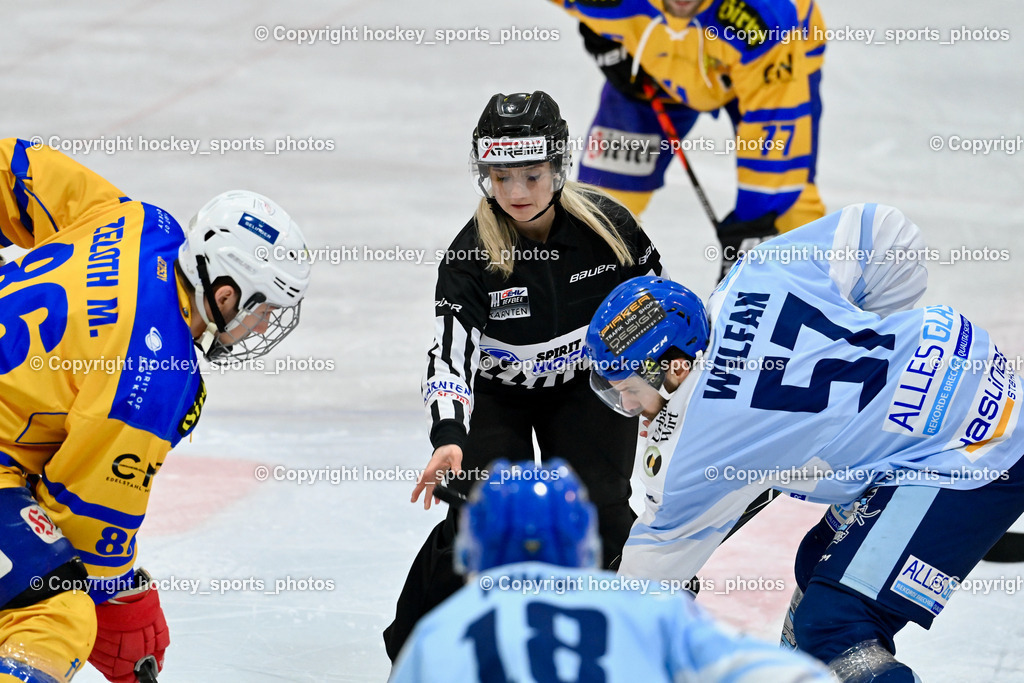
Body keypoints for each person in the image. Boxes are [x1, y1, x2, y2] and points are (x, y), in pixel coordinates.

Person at [584, 203, 1024, 681]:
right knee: (816, 563)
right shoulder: (754, 276)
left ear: (674, 368)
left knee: (836, 627)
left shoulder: (692, 448)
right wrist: (872, 351)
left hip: (974, 450)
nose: (628, 406)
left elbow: (651, 574)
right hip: (967, 365)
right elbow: (886, 232)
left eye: (629, 389)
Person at [0, 138, 310, 683]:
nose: (264, 326)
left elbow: (15, 169)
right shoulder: (156, 377)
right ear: (225, 294)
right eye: (263, 309)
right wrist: (119, 598)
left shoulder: (143, 224)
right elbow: (83, 515)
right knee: (57, 613)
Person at [383, 91, 665, 660]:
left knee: (603, 511)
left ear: (557, 166)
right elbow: (450, 354)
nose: (515, 192)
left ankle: (621, 646)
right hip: (498, 397)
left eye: (531, 175)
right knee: (480, 520)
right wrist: (448, 436)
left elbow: (658, 312)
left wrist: (656, 383)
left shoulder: (612, 230)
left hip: (586, 388)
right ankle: (414, 651)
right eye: (500, 176)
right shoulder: (469, 258)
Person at [389, 459, 832, 682]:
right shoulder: (650, 610)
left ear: (475, 549)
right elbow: (777, 672)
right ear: (584, 542)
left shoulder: (442, 632)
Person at [548, 0, 827, 277]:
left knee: (786, 199)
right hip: (654, 62)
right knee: (601, 205)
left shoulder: (766, 18)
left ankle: (811, 283)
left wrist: (756, 225)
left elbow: (774, 133)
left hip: (766, 61)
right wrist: (602, 31)